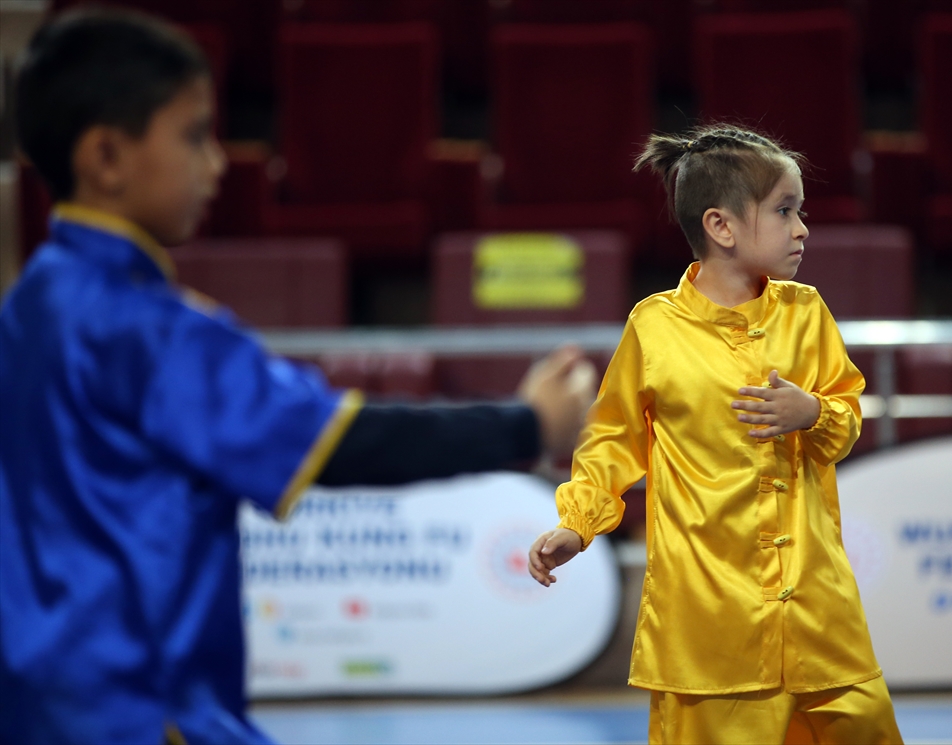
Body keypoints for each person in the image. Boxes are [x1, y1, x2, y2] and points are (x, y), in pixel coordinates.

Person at [0, 9, 596, 744]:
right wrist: (529, 422)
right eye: (193, 136)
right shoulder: (150, 328)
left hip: (35, 703)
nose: (216, 163)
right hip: (140, 708)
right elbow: (341, 442)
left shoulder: (29, 302)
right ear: (107, 157)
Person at [528, 125, 903, 745]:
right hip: (708, 628)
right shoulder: (652, 327)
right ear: (721, 227)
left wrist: (813, 413)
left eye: (800, 211)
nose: (802, 228)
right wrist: (579, 523)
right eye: (785, 211)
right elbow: (612, 440)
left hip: (820, 617)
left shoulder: (806, 312)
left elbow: (846, 417)